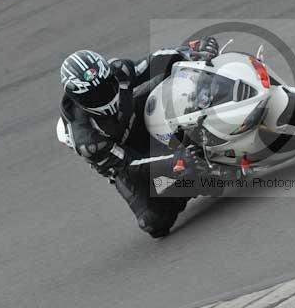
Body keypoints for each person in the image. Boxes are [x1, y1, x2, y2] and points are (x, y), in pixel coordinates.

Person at [58, 37, 219, 238]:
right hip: (125, 160)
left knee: (175, 76)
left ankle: (217, 106)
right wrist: (175, 162)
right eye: (94, 96)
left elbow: (153, 63)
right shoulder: (87, 140)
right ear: (79, 100)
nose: (103, 96)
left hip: (134, 114)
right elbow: (130, 164)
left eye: (106, 87)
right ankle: (191, 183)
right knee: (153, 222)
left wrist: (189, 53)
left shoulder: (118, 71)